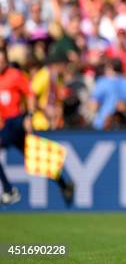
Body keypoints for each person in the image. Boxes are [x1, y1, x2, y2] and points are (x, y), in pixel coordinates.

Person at [0, 46, 74, 206]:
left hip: (16, 121)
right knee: (37, 157)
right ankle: (63, 183)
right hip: (5, 124)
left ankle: (8, 190)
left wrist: (29, 116)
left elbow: (30, 93)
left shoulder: (14, 75)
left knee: (35, 155)